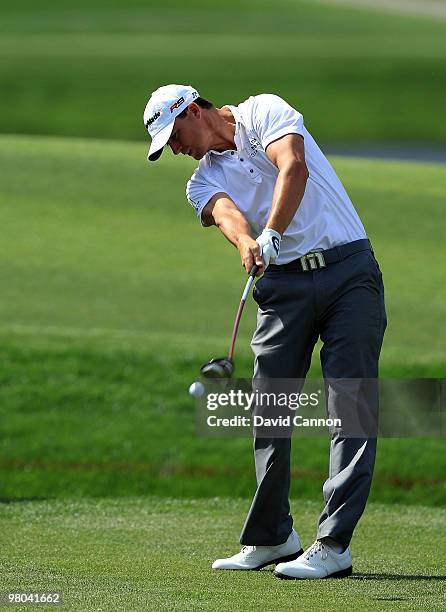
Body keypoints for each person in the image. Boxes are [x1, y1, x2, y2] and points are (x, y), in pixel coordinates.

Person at [142, 84, 387, 579]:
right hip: (282, 287)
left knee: (351, 404)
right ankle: (273, 536)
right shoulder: (199, 181)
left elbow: (292, 165)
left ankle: (334, 544)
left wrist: (273, 228)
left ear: (194, 109)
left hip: (348, 272)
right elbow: (225, 213)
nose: (175, 148)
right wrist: (248, 242)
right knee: (269, 410)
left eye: (175, 134)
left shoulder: (263, 111)